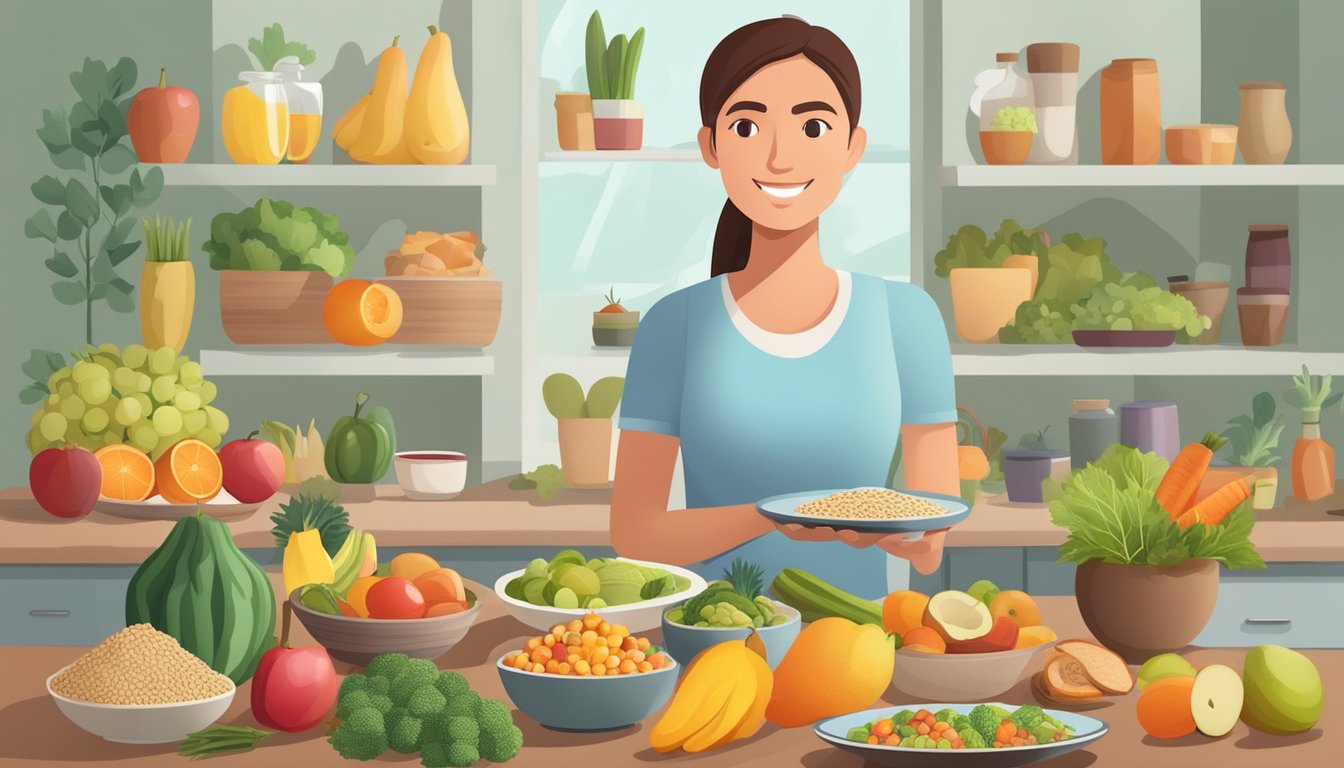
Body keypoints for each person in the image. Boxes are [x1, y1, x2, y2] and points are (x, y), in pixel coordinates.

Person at [609, 16, 960, 597]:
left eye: (813, 126)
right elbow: (635, 534)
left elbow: (930, 545)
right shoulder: (675, 326)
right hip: (714, 639)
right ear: (710, 147)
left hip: (860, 649)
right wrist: (782, 515)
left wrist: (902, 533)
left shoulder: (908, 318)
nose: (778, 158)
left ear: (853, 147)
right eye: (747, 126)